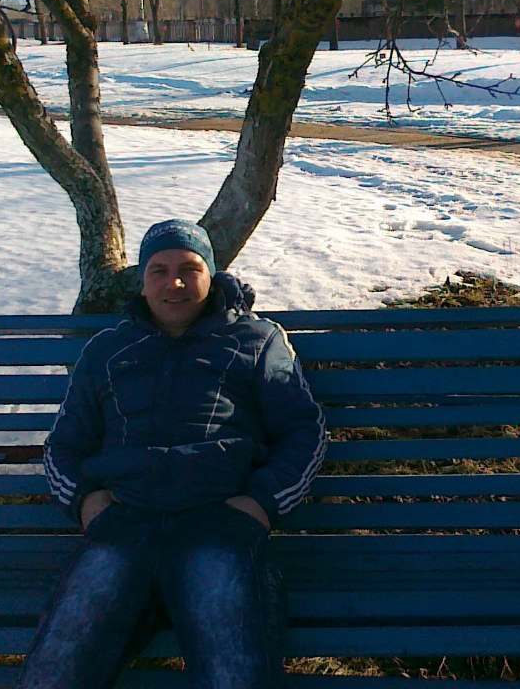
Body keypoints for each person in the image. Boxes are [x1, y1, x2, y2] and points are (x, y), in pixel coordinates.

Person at [17, 219, 327, 689]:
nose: (174, 283)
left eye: (189, 269)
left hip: (218, 523)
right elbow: (64, 444)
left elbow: (304, 430)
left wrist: (261, 504)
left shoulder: (257, 340)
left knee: (233, 671)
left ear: (212, 276)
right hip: (123, 524)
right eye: (158, 271)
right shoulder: (107, 350)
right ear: (142, 282)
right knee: (59, 665)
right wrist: (86, 502)